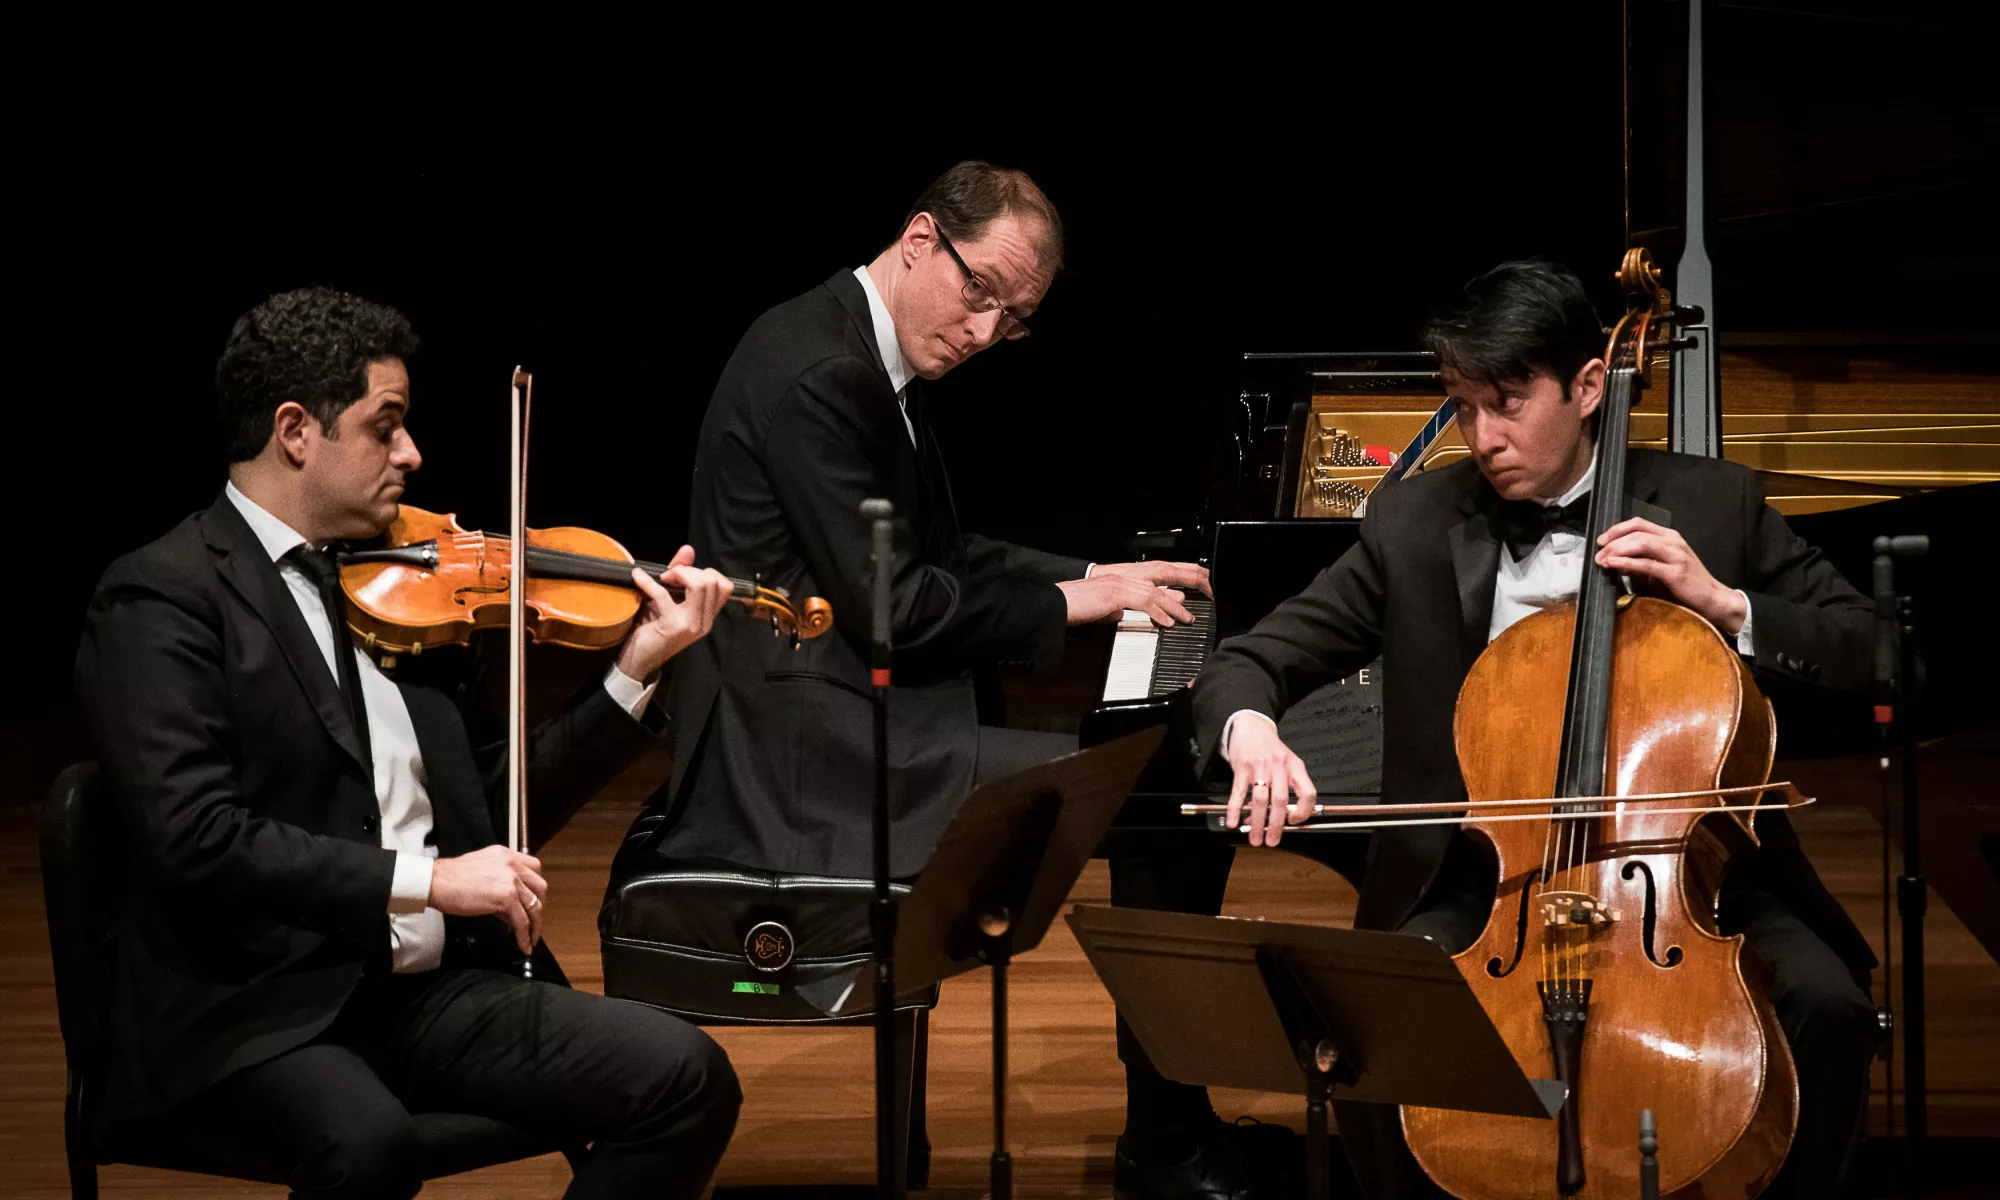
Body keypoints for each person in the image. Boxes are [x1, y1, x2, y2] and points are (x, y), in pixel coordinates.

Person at [1149, 259, 1879, 1199]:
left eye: (1507, 402)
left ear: (1587, 388)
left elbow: (1880, 648)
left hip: (1692, 882)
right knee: (1381, 1018)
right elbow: (1258, 655)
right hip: (1488, 880)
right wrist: (1250, 727)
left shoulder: (1715, 507)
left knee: (1828, 1006)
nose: (1483, 437)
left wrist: (1725, 602)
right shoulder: (1414, 521)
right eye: (1462, 406)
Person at [75, 287, 744, 1200]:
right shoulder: (162, 598)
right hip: (257, 1012)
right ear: (295, 430)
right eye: (386, 427)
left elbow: (499, 814)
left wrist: (634, 668)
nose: (413, 454)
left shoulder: (404, 591)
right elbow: (195, 838)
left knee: (686, 1077)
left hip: (425, 992)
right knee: (369, 1148)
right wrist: (429, 880)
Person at [641, 160, 1208, 880]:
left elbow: (940, 550)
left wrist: (1097, 576)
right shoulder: (826, 371)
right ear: (920, 238)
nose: (982, 331)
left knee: (1153, 782)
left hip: (838, 715)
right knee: (1164, 795)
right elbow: (898, 609)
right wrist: (1066, 604)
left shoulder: (866, 351)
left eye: (1012, 319)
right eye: (979, 291)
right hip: (798, 755)